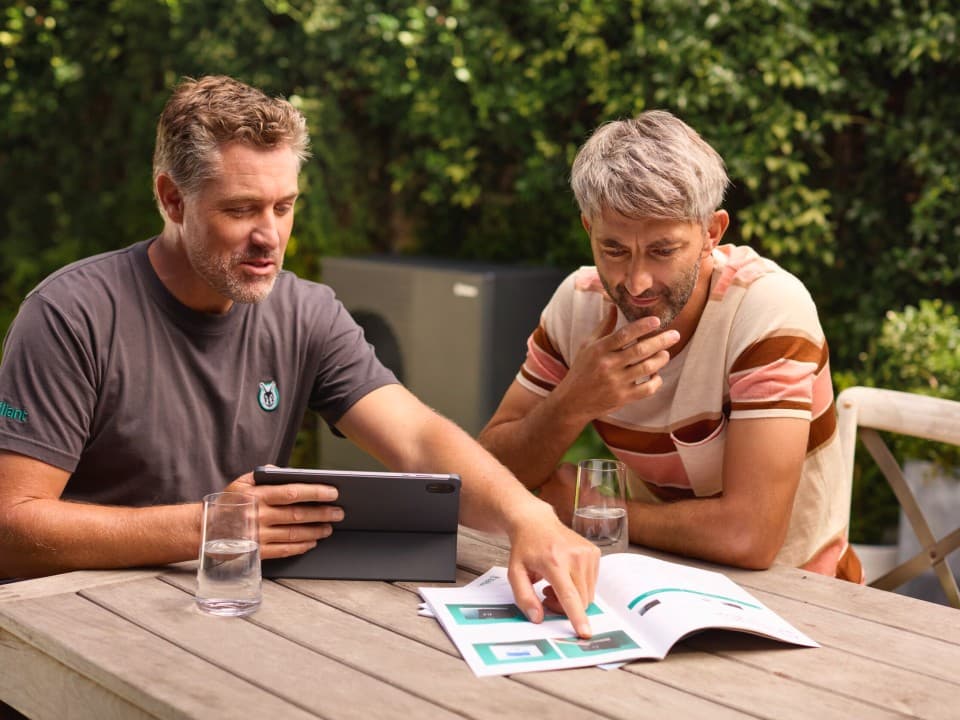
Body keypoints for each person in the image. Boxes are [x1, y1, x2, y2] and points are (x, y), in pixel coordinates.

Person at [0, 75, 599, 636]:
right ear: (172, 199)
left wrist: (529, 517)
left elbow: (416, 438)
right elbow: (12, 525)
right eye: (240, 210)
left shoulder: (305, 312)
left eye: (283, 207)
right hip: (76, 622)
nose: (270, 237)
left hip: (240, 615)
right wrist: (214, 525)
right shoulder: (70, 314)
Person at [478, 110, 860, 581]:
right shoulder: (579, 305)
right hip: (658, 579)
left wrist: (599, 510)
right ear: (587, 229)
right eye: (614, 249)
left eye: (662, 251)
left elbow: (750, 537)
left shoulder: (767, 308)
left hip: (804, 597)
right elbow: (491, 477)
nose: (636, 283)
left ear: (712, 233)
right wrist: (572, 402)